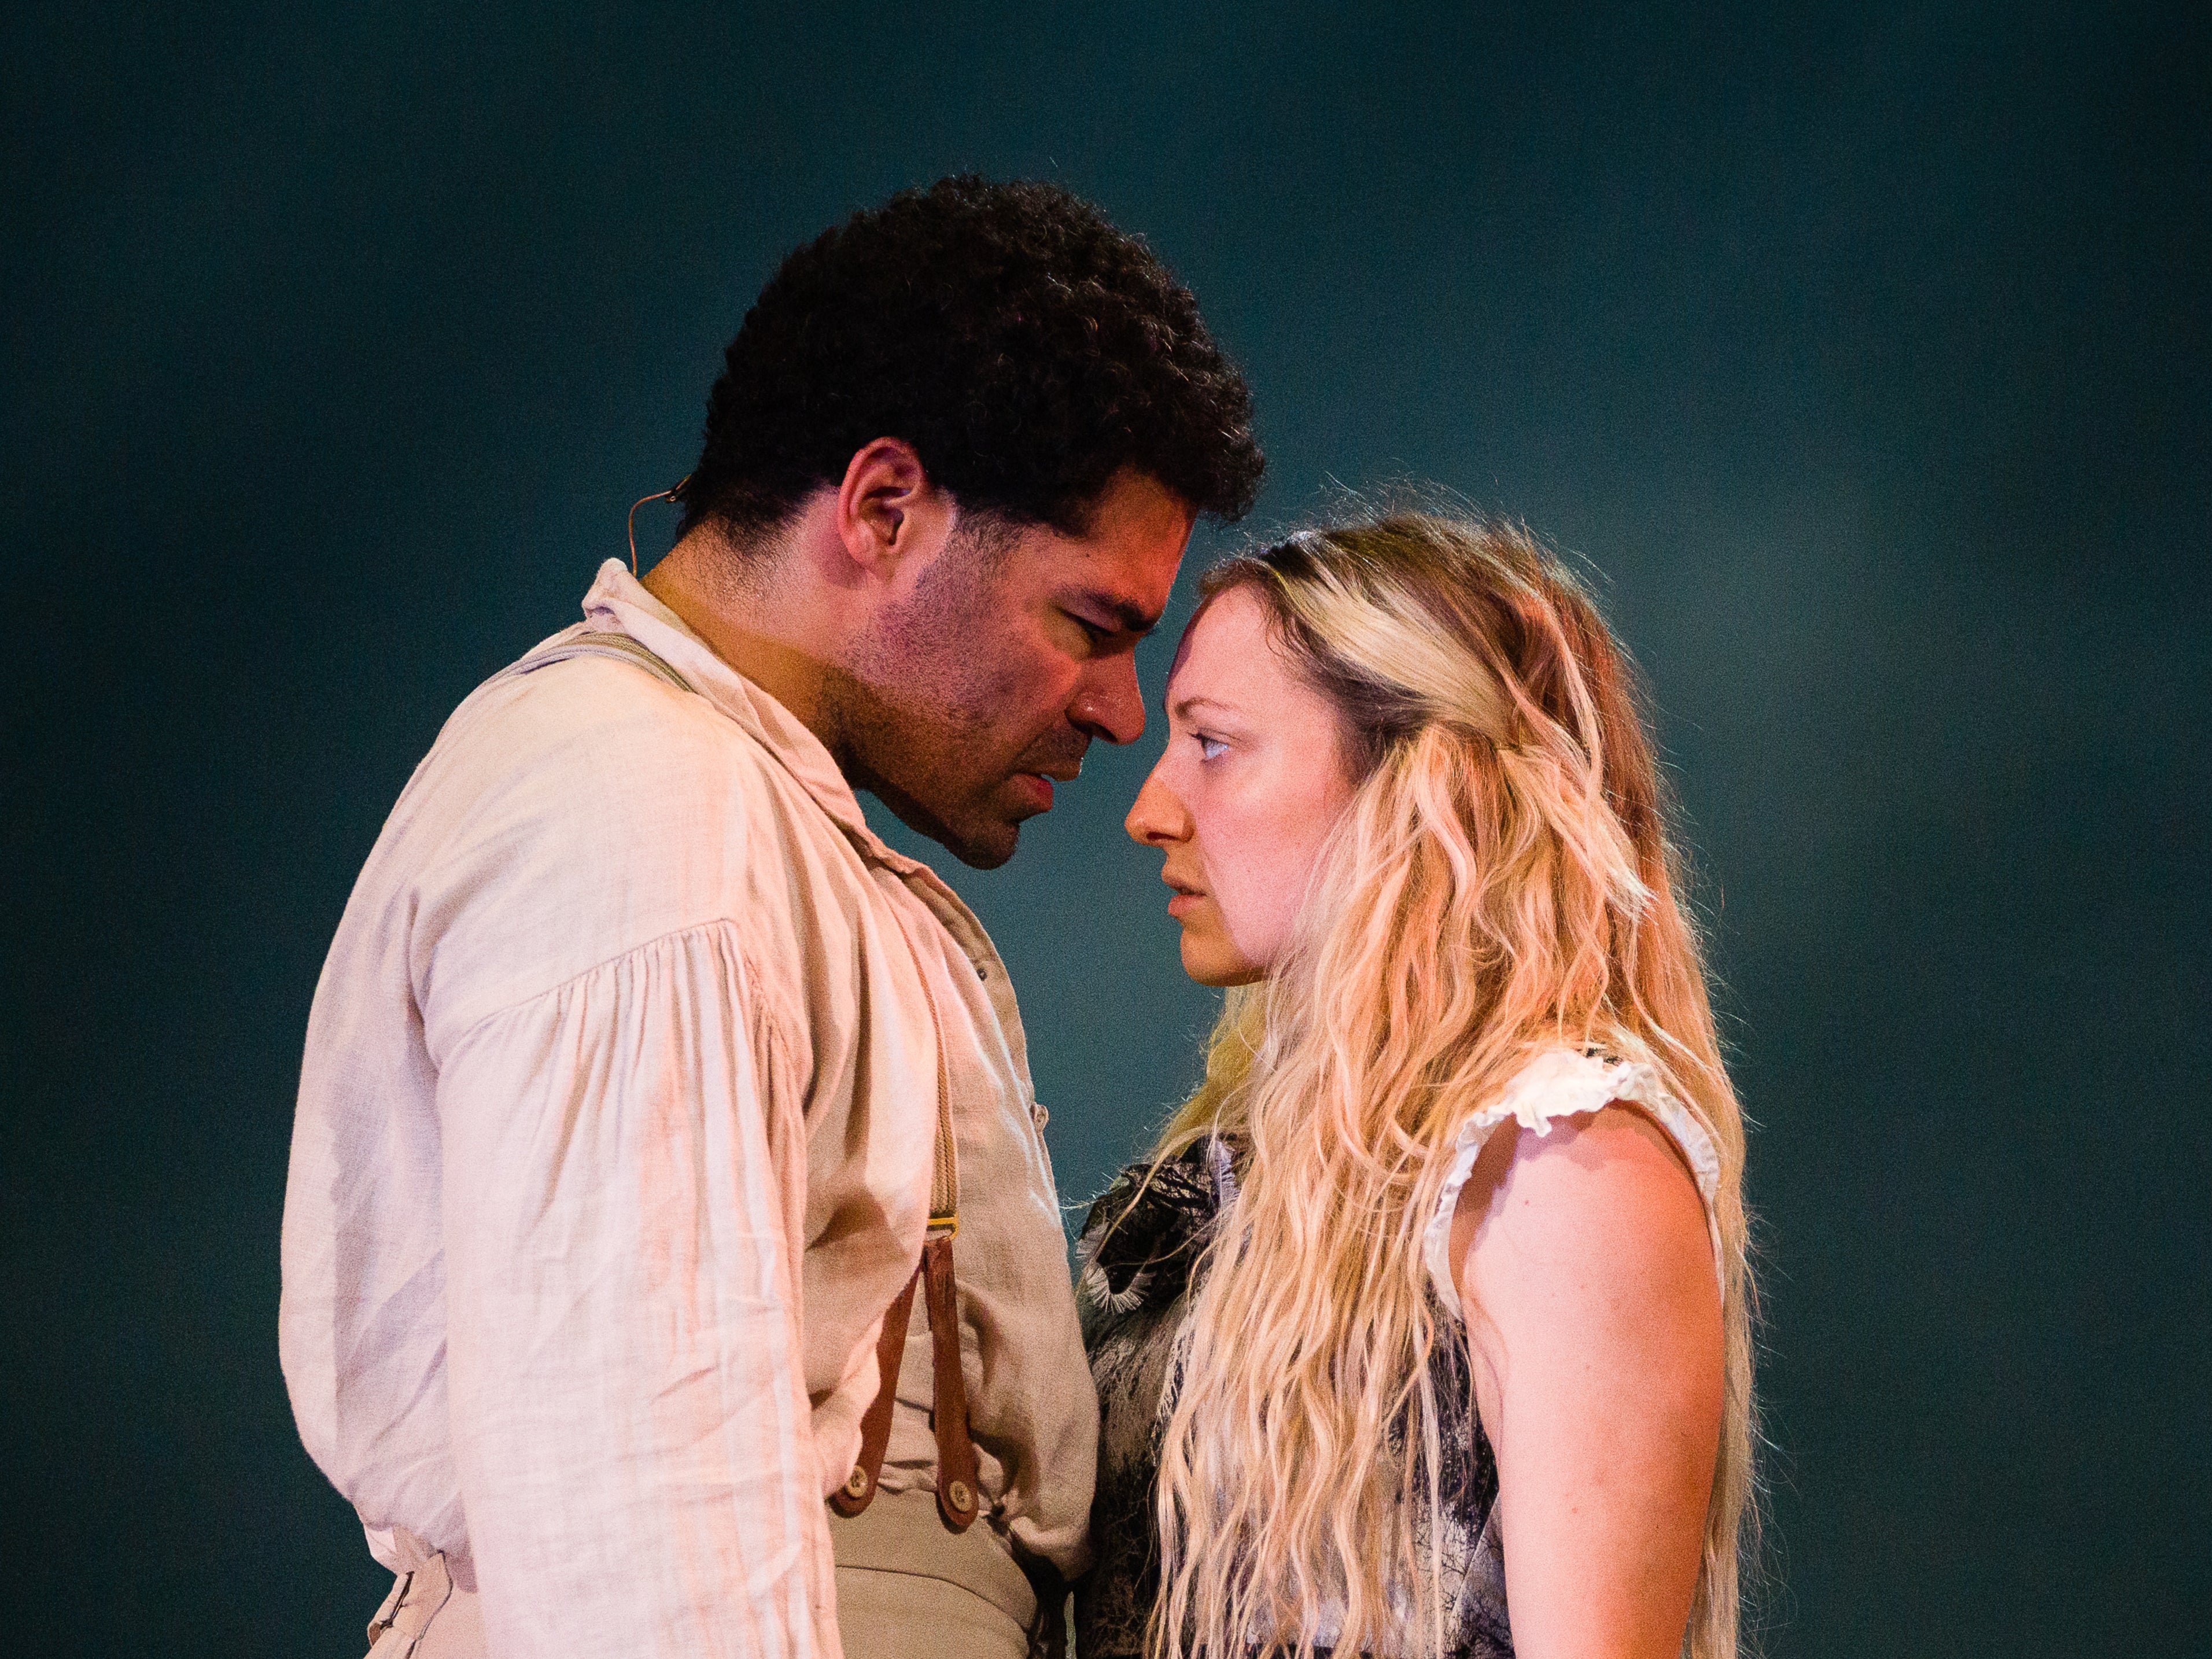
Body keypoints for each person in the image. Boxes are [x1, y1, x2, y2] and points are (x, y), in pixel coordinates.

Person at [279, 175, 1262, 1658]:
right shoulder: (638, 804)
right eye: (1090, 624)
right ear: (883, 509)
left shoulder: (727, 804)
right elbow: (635, 1513)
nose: (1120, 712)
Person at [1076, 514, 1755, 1659]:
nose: (1150, 808)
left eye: (1215, 744)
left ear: (1411, 779)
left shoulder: (1559, 1159)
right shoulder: (1265, 1164)